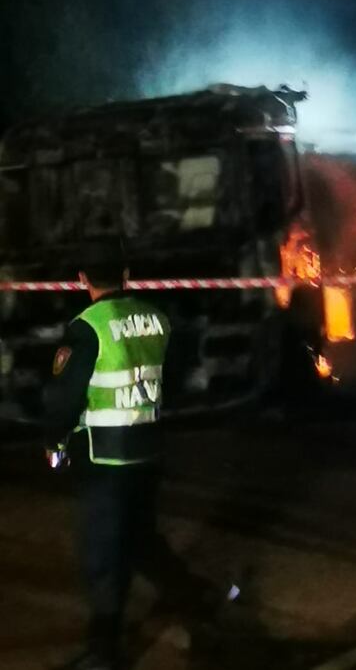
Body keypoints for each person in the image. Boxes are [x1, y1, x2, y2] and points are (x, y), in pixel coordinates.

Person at [43, 239, 213, 670]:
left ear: (82, 279)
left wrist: (54, 442)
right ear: (127, 274)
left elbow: (65, 397)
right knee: (139, 536)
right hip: (147, 451)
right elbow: (172, 376)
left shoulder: (87, 327)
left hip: (104, 460)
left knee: (105, 551)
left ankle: (104, 651)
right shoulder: (156, 319)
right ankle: (191, 596)